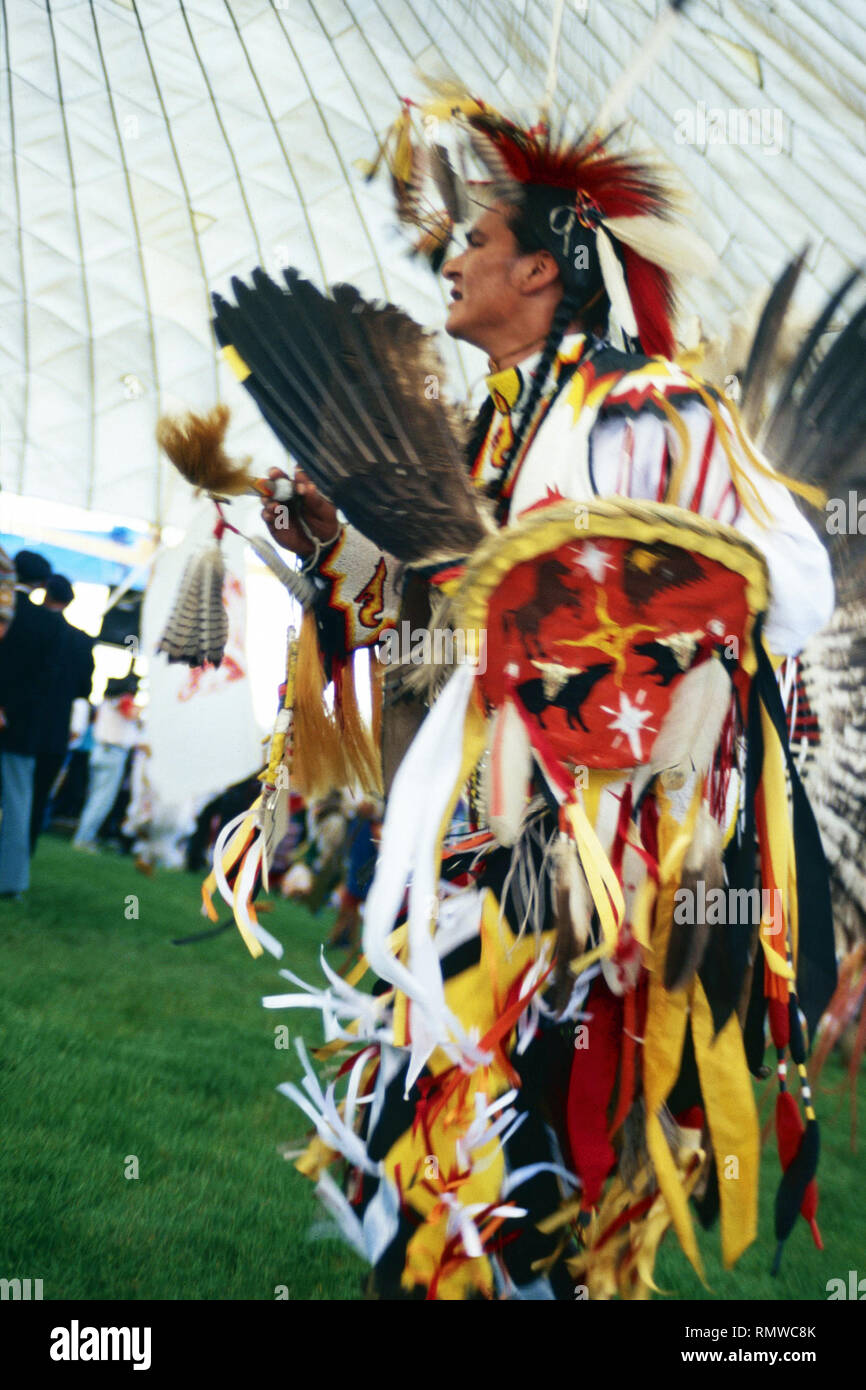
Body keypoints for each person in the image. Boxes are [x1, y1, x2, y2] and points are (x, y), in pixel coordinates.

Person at [245, 104, 837, 1298]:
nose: (448, 260)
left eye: (473, 239)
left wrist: (611, 572)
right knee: (429, 1149)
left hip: (586, 863)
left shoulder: (647, 411)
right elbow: (440, 636)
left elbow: (797, 590)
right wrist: (341, 559)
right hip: (476, 845)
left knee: (535, 1171)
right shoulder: (489, 436)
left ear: (538, 268)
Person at [0, 550, 58, 899]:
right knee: (18, 804)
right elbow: (44, 684)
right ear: (41, 584)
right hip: (22, 727)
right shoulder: (50, 625)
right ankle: (10, 883)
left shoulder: (10, 614)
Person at [30, 574, 94, 851]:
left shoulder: (31, 626)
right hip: (55, 729)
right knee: (38, 797)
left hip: (23, 722)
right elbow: (84, 689)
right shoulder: (81, 641)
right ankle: (20, 863)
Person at [72, 674, 141, 852]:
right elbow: (133, 714)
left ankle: (84, 835)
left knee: (95, 797)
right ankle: (84, 838)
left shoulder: (106, 703)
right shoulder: (123, 701)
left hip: (100, 750)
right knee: (101, 800)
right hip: (113, 753)